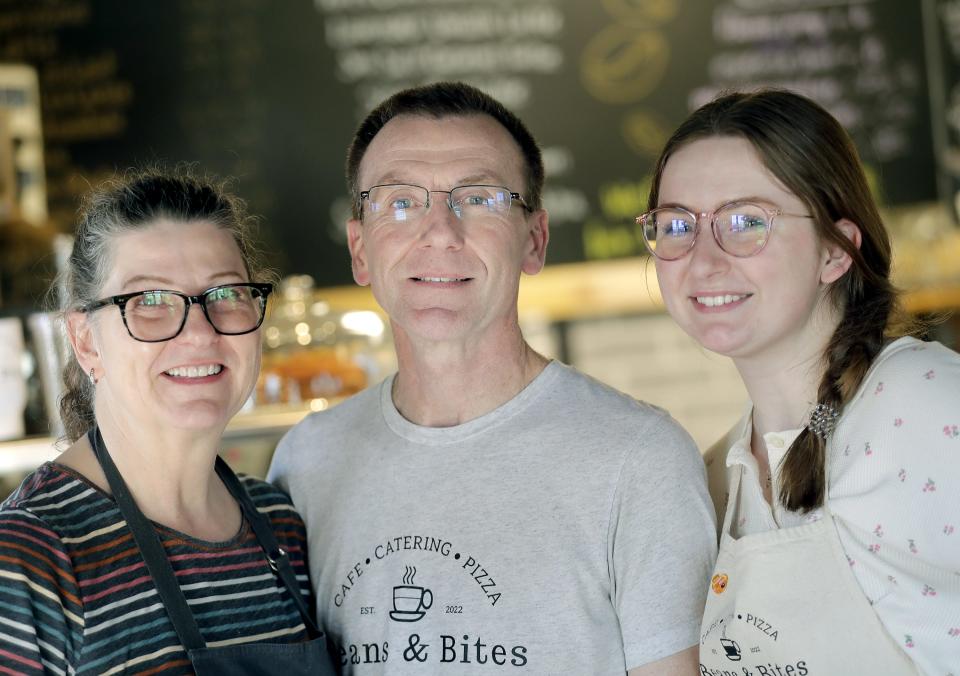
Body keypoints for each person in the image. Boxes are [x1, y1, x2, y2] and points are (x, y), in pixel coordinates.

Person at [267, 81, 717, 675]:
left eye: (479, 199)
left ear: (535, 239)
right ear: (359, 250)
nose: (439, 232)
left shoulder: (639, 458)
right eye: (400, 202)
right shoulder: (306, 463)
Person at [641, 88, 960, 675]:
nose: (704, 260)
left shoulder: (923, 407)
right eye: (676, 224)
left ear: (835, 251)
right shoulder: (719, 478)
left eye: (746, 222)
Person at [0, 170, 335, 674]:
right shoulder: (29, 559)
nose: (200, 333)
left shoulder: (280, 524)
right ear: (86, 340)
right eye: (149, 301)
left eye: (225, 294)